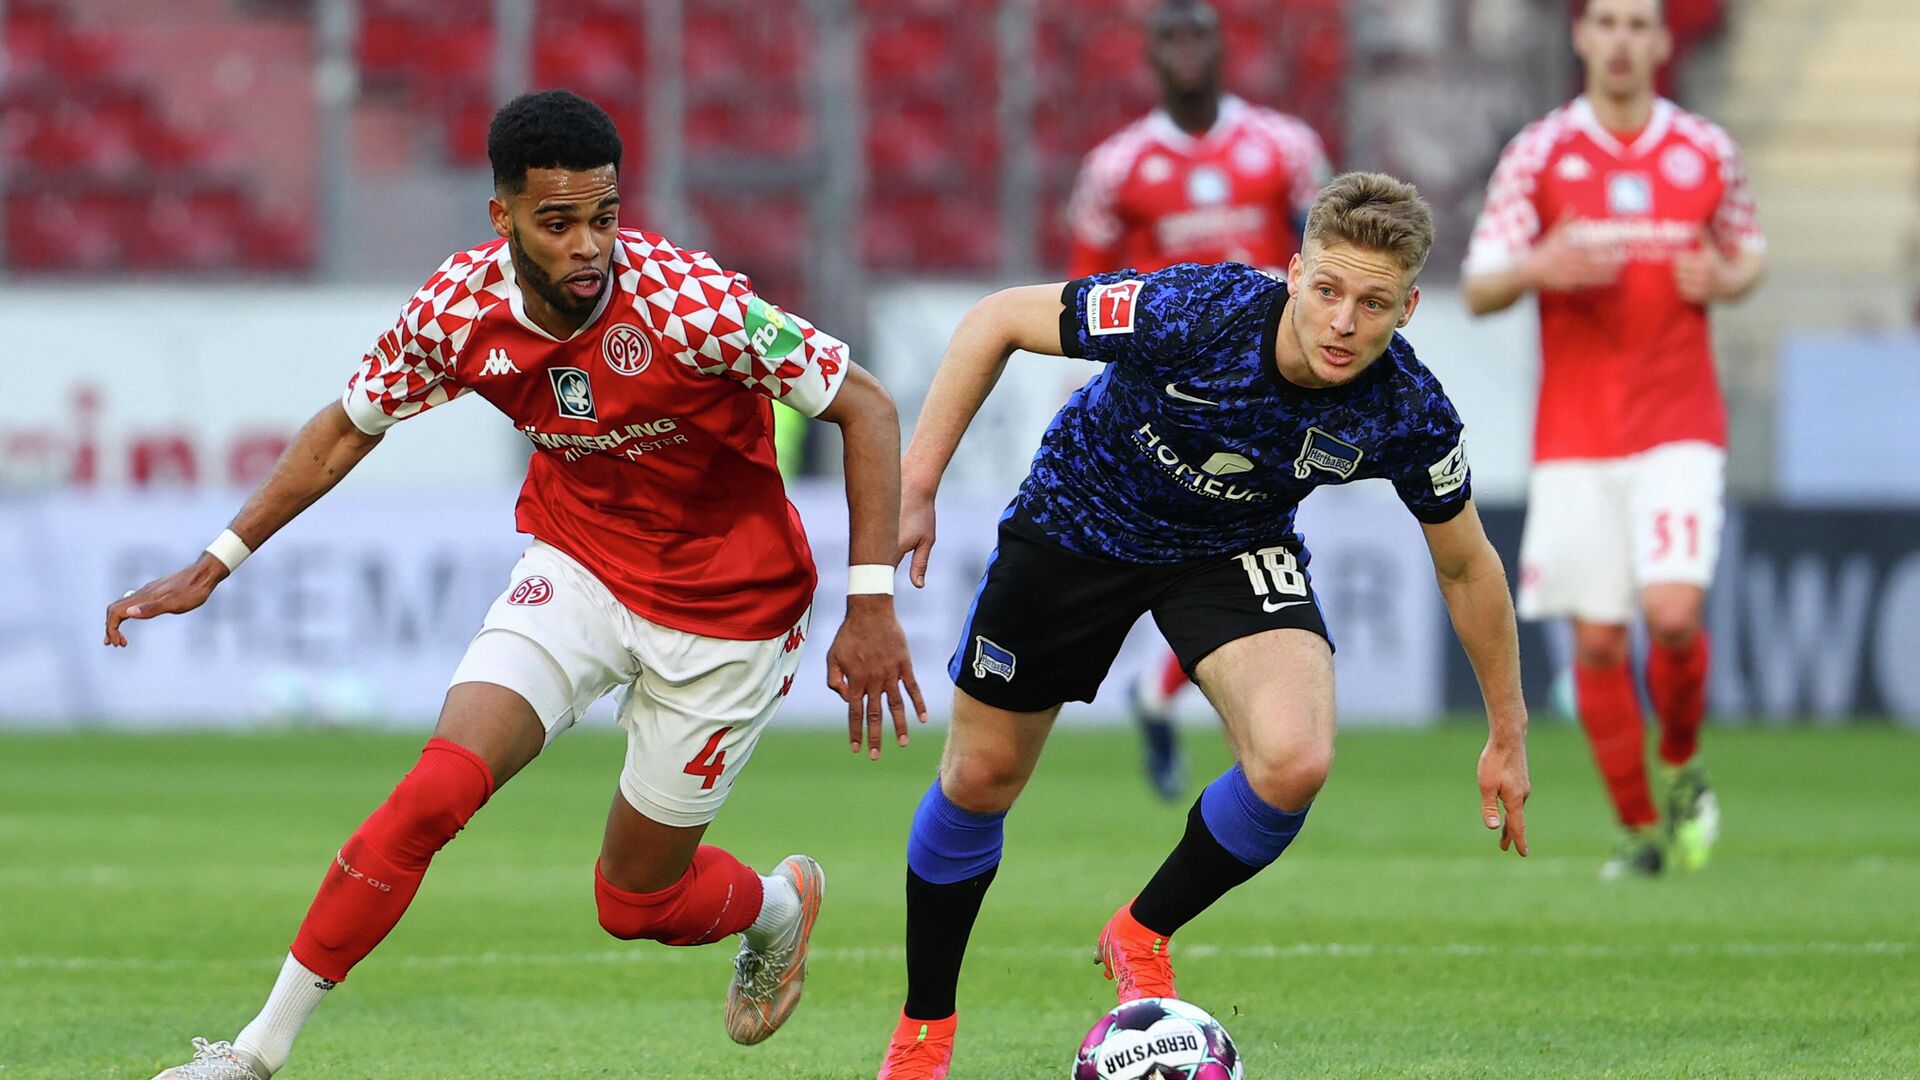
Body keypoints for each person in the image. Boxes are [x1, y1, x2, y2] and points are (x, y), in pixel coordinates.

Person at [106, 90, 925, 1079]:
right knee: (431, 794)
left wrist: (869, 603)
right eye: (558, 222)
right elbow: (343, 428)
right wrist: (215, 561)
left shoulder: (689, 304)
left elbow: (866, 405)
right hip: (577, 569)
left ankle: (781, 906)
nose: (589, 246)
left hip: (730, 615)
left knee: (635, 904)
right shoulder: (459, 310)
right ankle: (250, 1055)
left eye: (604, 217)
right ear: (504, 220)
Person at [874, 172, 1531, 1078]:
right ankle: (924, 1032)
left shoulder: (1406, 408)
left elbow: (1467, 562)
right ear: (1293, 272)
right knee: (981, 777)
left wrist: (1507, 727)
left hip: (1231, 545)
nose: (1343, 322)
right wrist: (916, 482)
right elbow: (997, 319)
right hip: (1080, 519)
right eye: (1328, 291)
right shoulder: (1195, 310)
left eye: (1373, 303)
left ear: (1409, 308)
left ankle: (1139, 933)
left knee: (1295, 759)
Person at [1461, 0, 1765, 880]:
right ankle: (1639, 831)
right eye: (1609, 23)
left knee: (1671, 615)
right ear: (1582, 37)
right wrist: (1538, 268)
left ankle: (1681, 765)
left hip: (1679, 422)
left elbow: (1749, 252)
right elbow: (1480, 283)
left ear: (1663, 42)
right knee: (1597, 643)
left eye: (1640, 24)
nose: (1624, 40)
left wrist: (1728, 276)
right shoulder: (1542, 153)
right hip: (1577, 434)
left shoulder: (1705, 150)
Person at [1065, 0, 1334, 802]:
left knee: (1247, 546)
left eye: (1199, 36)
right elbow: (1084, 286)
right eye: (1171, 38)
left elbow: (1326, 252)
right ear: (1152, 55)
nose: (1186, 51)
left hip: (1271, 394)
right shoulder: (1118, 166)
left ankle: (1175, 697)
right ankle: (1181, 699)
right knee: (1188, 548)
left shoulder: (1283, 148)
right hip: (1163, 398)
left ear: (1222, 48)